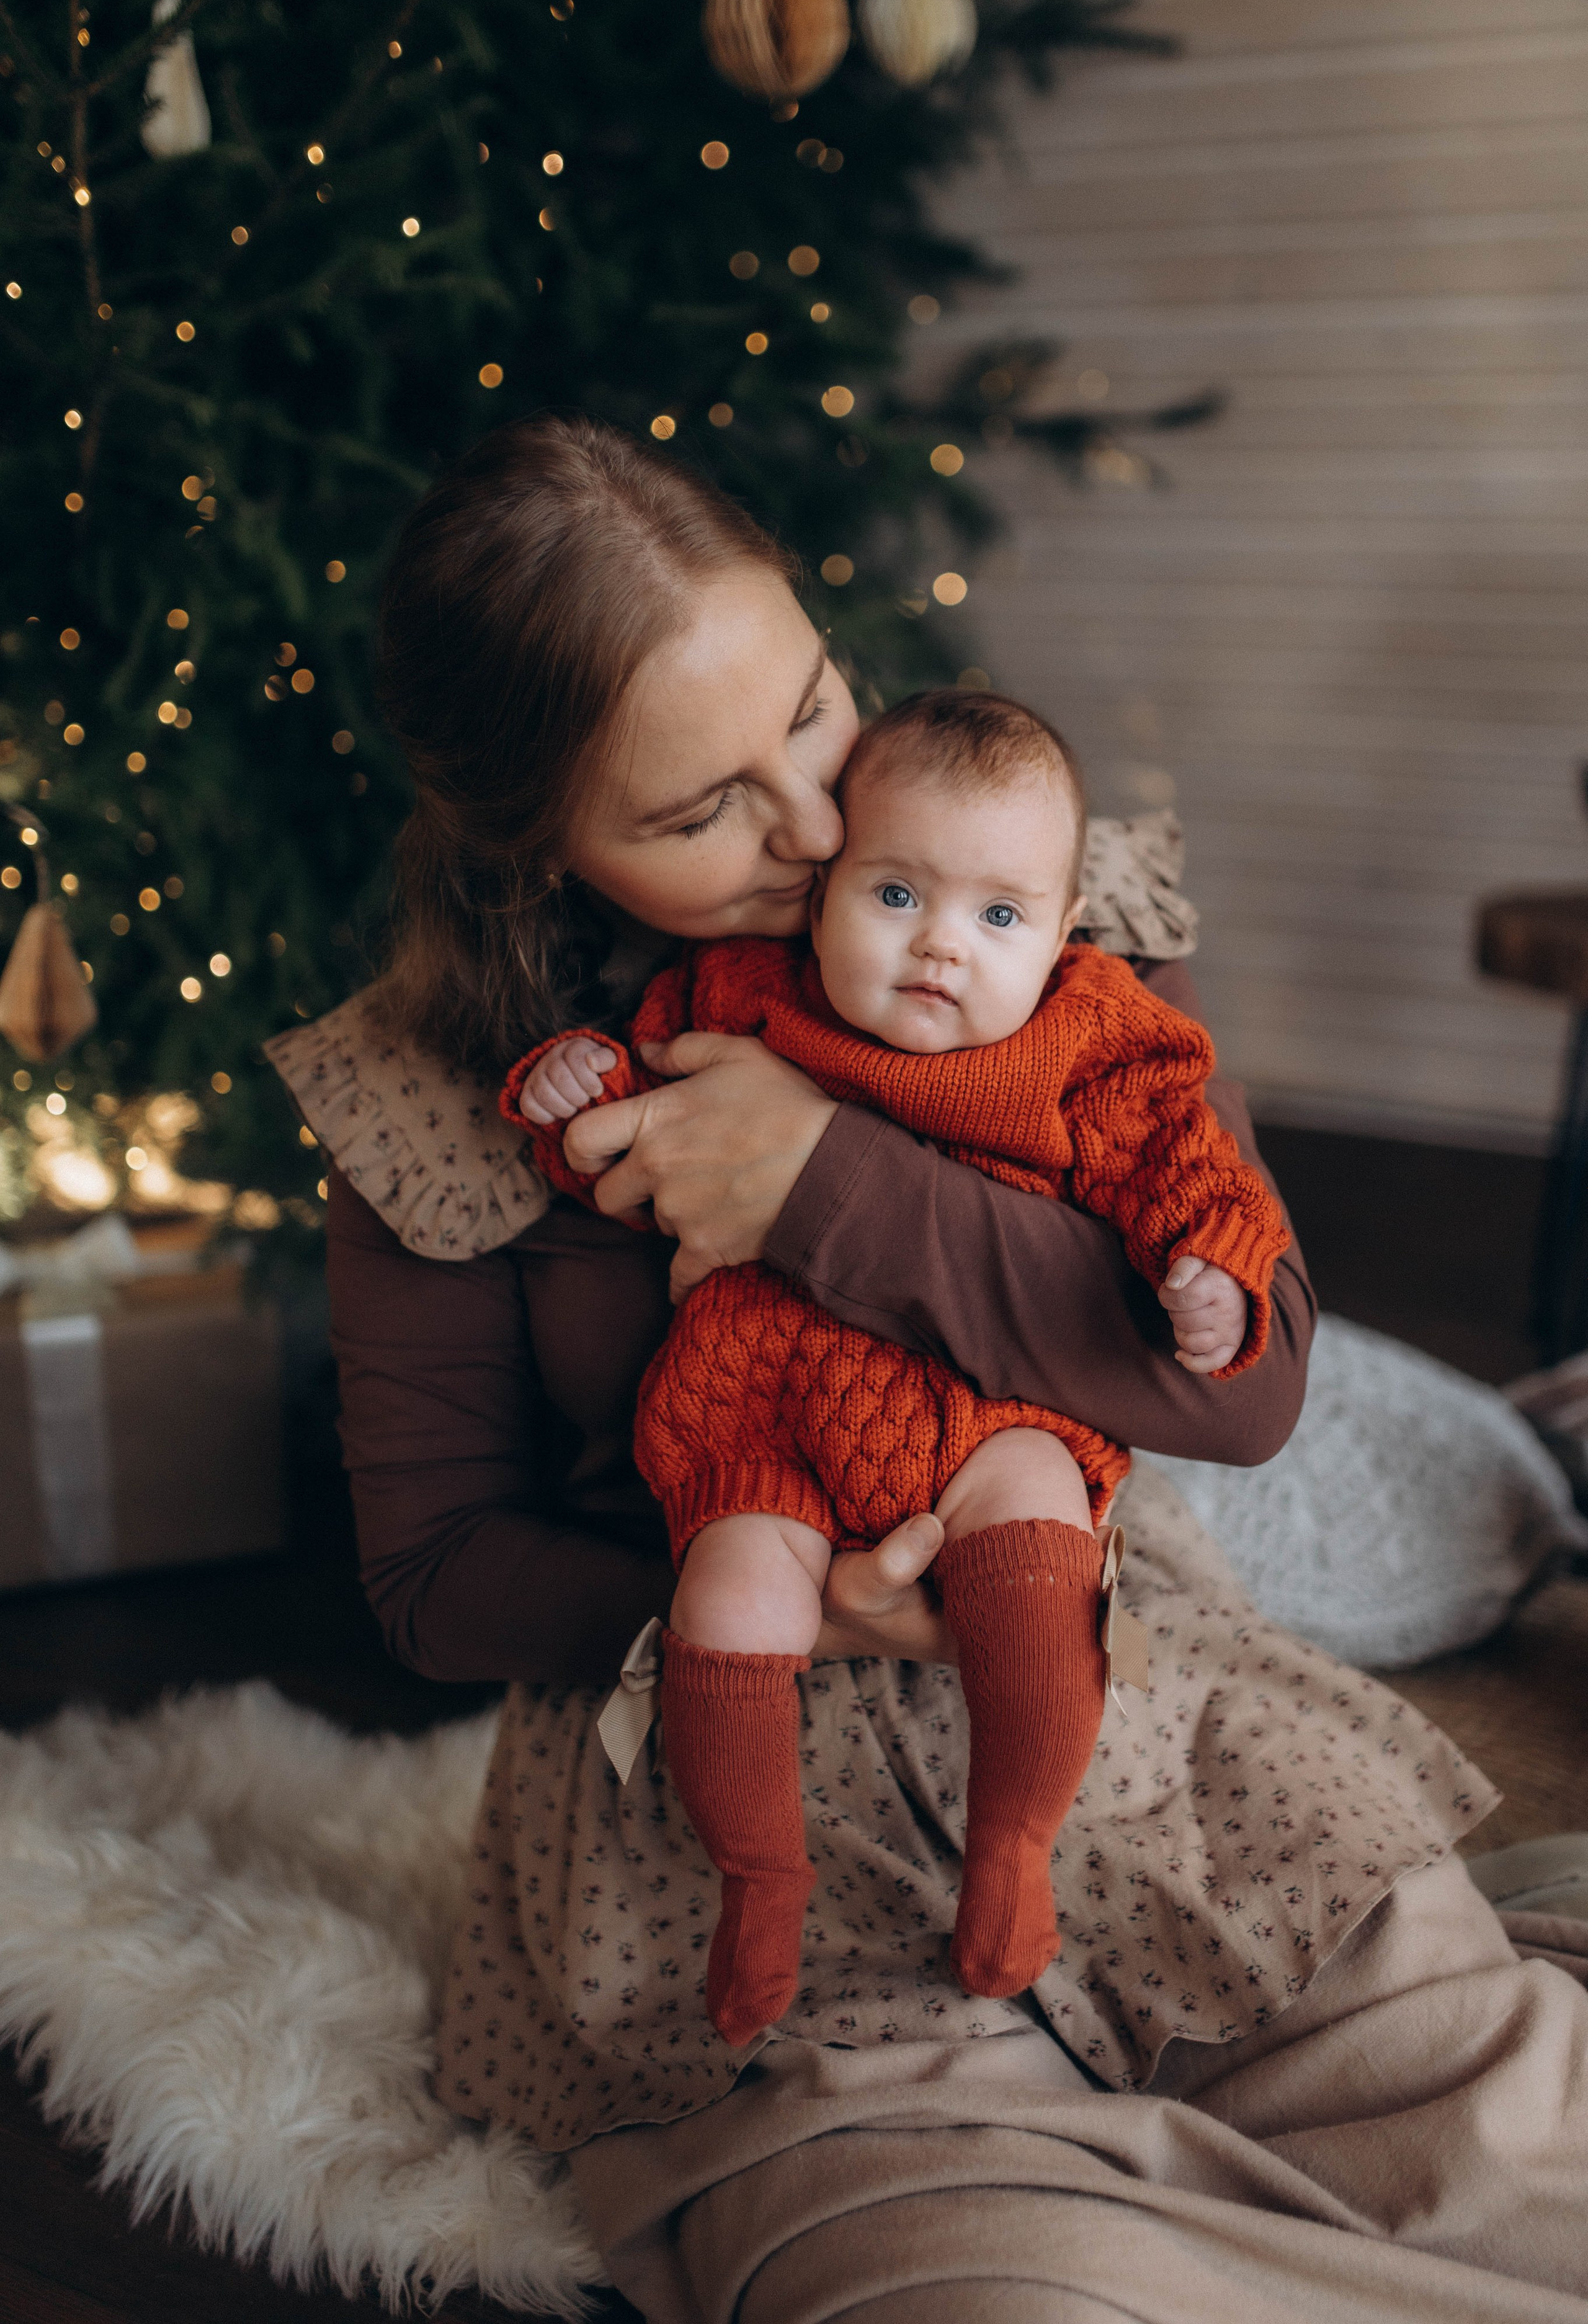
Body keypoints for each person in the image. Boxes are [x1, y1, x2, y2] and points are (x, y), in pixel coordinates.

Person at [267, 416, 1588, 2322]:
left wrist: (831, 1184)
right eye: (697, 809)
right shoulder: (433, 1097)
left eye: (809, 707)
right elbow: (432, 1575)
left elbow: (1243, 1389)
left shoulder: (1030, 901)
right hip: (749, 1887)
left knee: (1513, 2154)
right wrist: (800, 1613)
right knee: (992, 2292)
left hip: (1147, 1753)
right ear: (531, 841)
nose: (814, 828)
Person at [509, 687, 1288, 2037]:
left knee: (1038, 1530)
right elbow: (634, 1127)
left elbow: (1182, 1157)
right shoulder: (746, 1000)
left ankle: (1011, 1847)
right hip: (766, 1404)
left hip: (997, 1408)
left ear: (1060, 933)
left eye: (998, 915)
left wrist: (1207, 1260)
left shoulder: (1092, 1036)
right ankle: (758, 1880)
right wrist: (576, 1089)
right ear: (821, 893)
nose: (940, 945)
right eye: (893, 894)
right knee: (731, 1590)